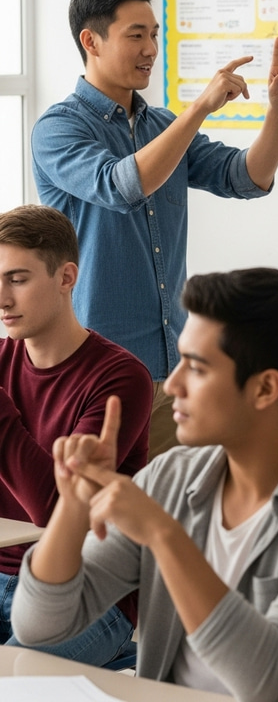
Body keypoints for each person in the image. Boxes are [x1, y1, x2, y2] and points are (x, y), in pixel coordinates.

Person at [12, 268, 278, 701]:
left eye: (195, 368)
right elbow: (38, 627)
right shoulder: (171, 476)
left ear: (265, 388)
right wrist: (72, 503)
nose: (173, 385)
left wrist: (164, 535)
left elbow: (272, 680)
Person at [31, 0, 278, 460]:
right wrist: (200, 106)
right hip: (99, 371)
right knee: (103, 518)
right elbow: (123, 185)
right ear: (90, 41)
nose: (150, 48)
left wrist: (277, 112)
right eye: (135, 35)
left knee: (176, 515)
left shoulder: (160, 125)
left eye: (154, 34)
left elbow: (246, 178)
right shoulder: (58, 128)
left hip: (171, 366)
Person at [0, 205, 151, 665]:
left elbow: (56, 511)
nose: (1, 298)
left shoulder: (121, 377)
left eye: (17, 279)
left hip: (87, 592)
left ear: (66, 278)